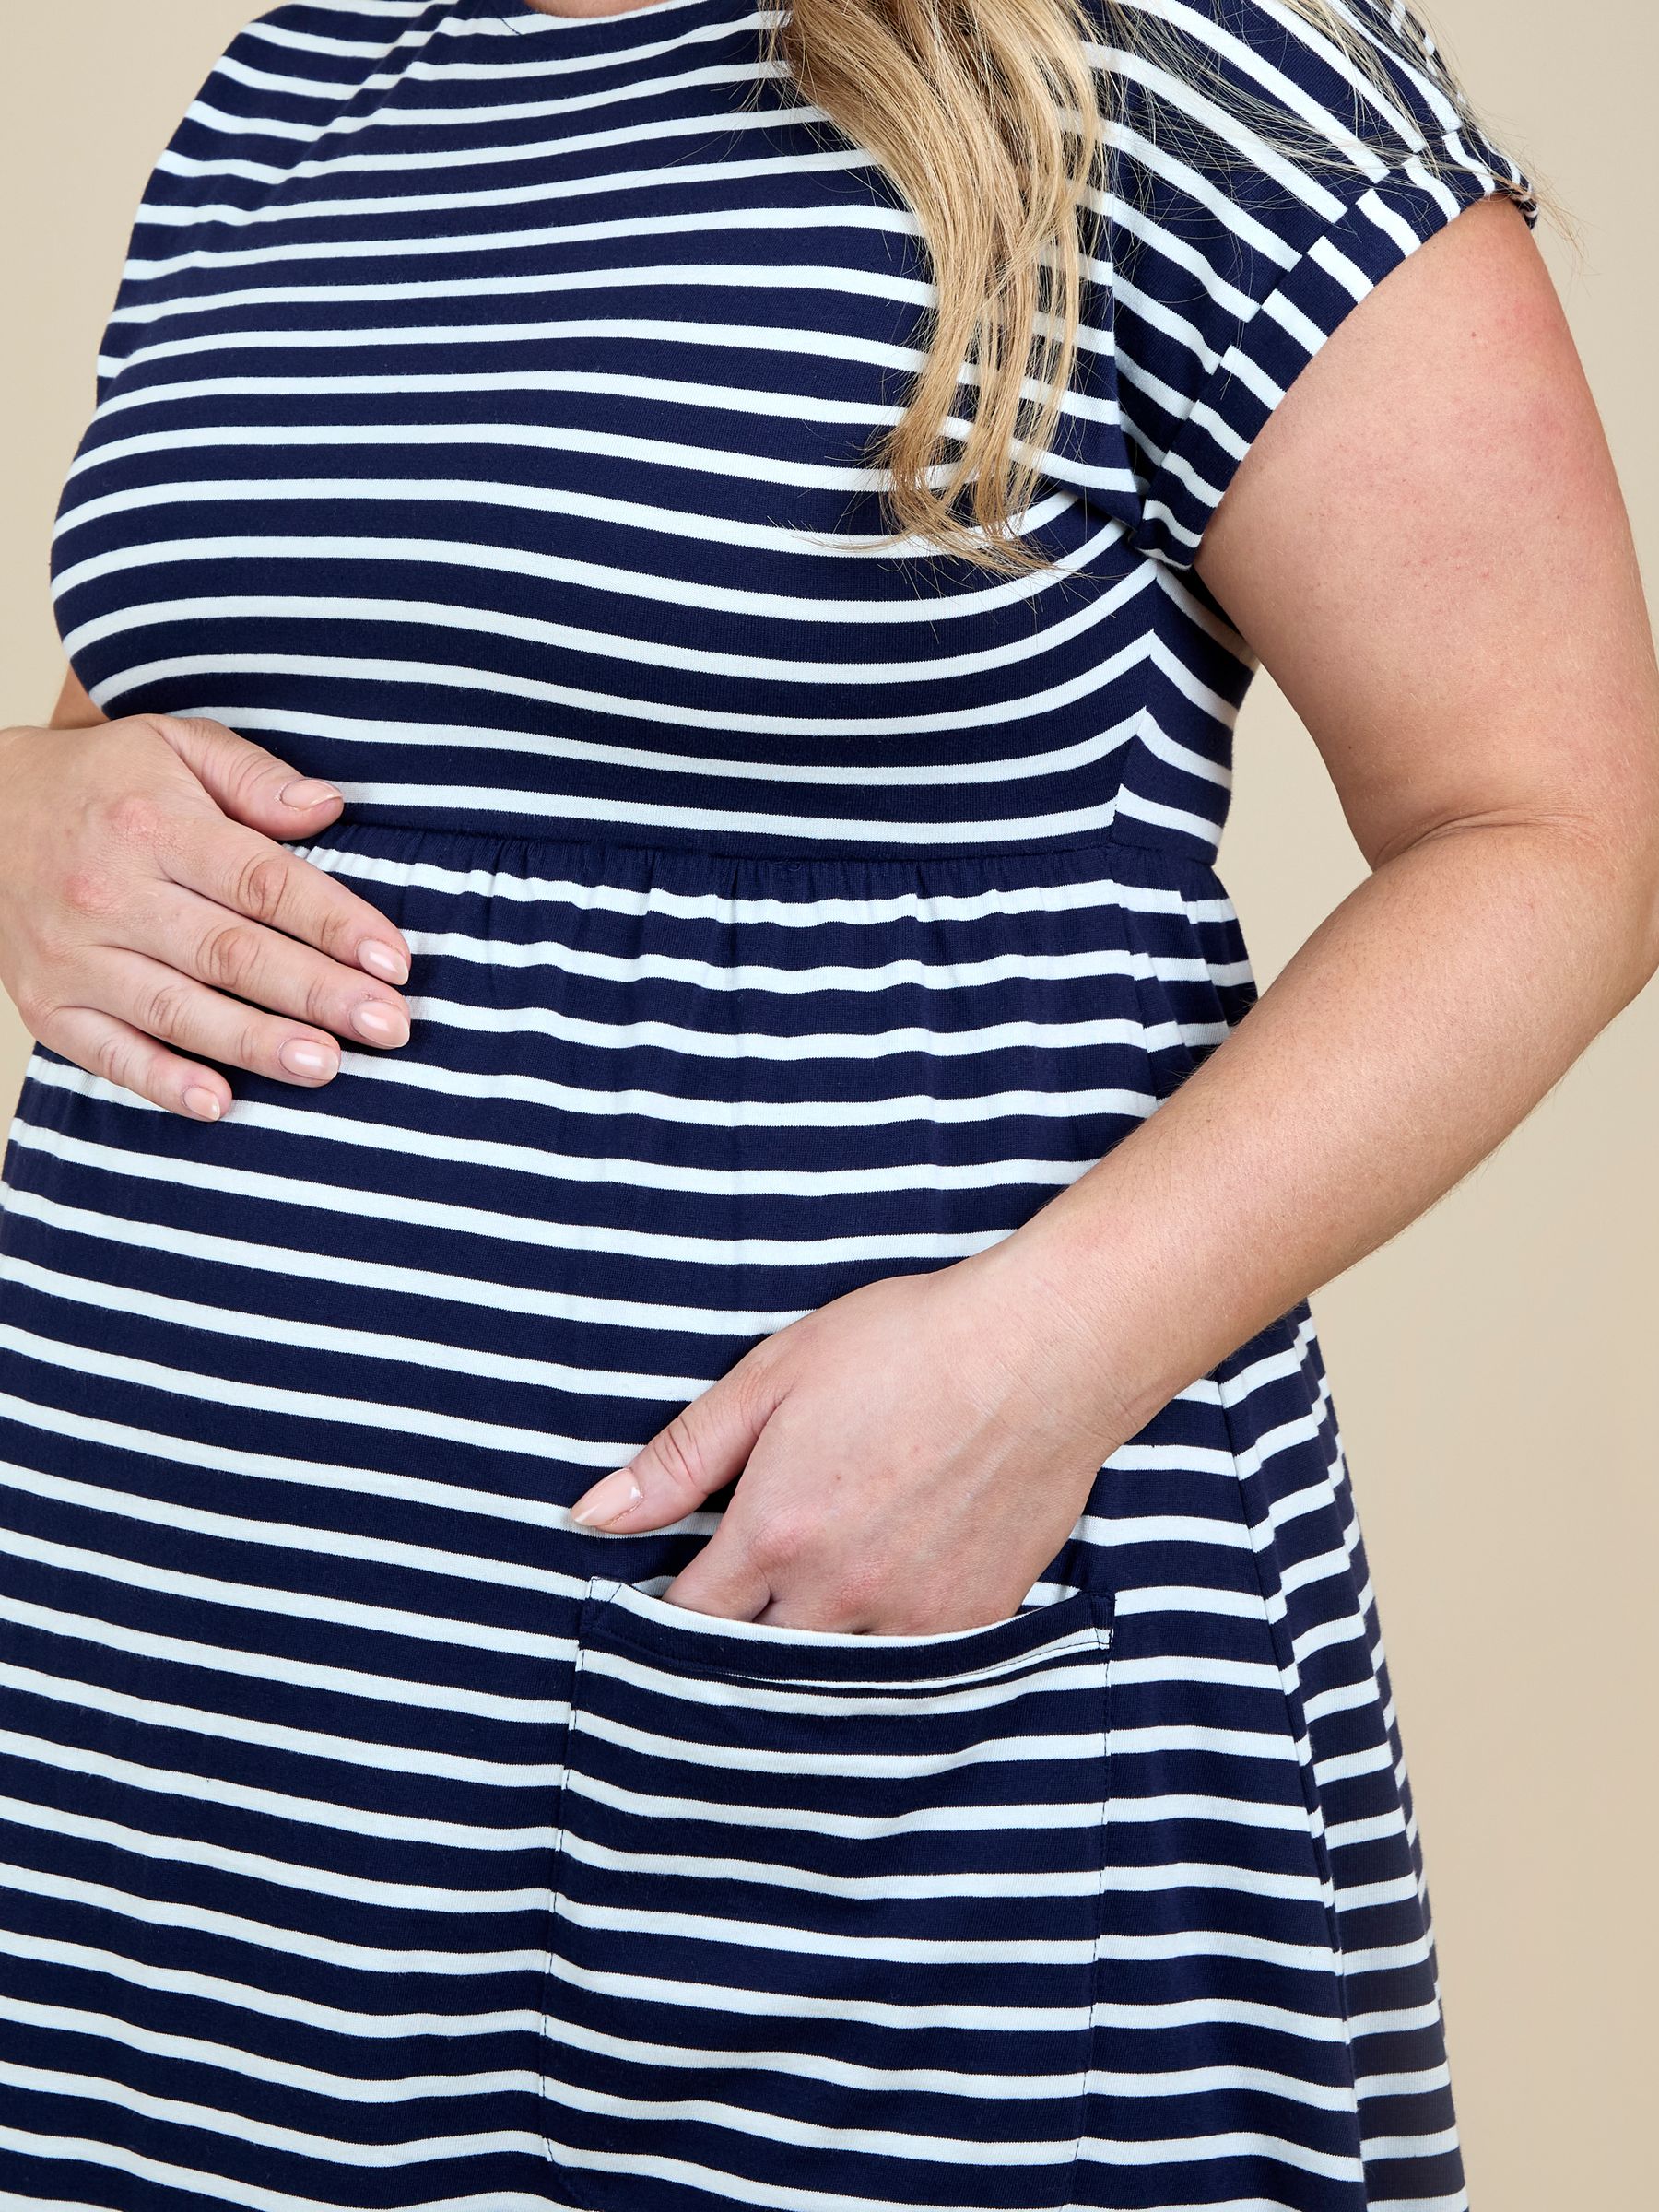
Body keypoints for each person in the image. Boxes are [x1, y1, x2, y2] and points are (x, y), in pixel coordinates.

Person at [0, 0, 1653, 2206]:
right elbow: (208, 707)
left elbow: (1561, 826)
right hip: (167, 1712)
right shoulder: (309, 77)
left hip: (844, 1681)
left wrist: (1046, 1355)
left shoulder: (1172, 59)